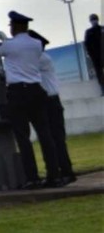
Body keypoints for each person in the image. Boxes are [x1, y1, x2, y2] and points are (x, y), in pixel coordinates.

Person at [0, 11, 66, 189]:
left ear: (16, 26)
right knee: (45, 135)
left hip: (17, 93)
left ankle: (33, 177)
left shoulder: (9, 45)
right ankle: (54, 175)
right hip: (36, 91)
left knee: (23, 137)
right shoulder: (36, 44)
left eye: (12, 26)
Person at [39, 51, 77, 185]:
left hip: (51, 102)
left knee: (57, 139)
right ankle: (56, 173)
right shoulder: (39, 58)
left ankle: (67, 172)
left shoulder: (41, 59)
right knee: (51, 140)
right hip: (46, 102)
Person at [86, 14, 103, 95]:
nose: (94, 21)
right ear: (90, 21)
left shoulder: (102, 29)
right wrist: (91, 55)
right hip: (96, 57)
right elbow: (87, 45)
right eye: (92, 20)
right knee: (100, 73)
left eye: (95, 19)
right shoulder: (89, 32)